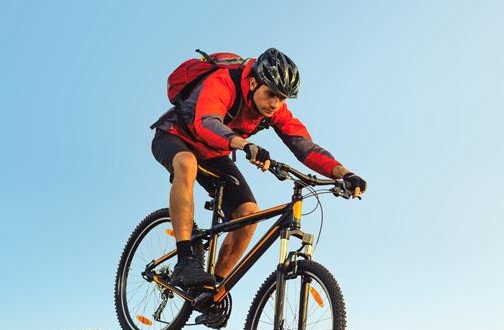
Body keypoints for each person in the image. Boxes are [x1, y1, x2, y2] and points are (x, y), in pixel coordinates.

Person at [150, 48, 366, 290]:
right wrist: (244, 144)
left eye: (282, 98)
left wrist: (344, 173)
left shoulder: (275, 109)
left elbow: (304, 146)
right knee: (186, 164)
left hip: (216, 152)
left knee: (249, 214)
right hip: (175, 135)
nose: (275, 103)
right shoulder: (223, 82)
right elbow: (207, 122)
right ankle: (185, 259)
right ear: (253, 82)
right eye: (270, 94)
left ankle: (213, 290)